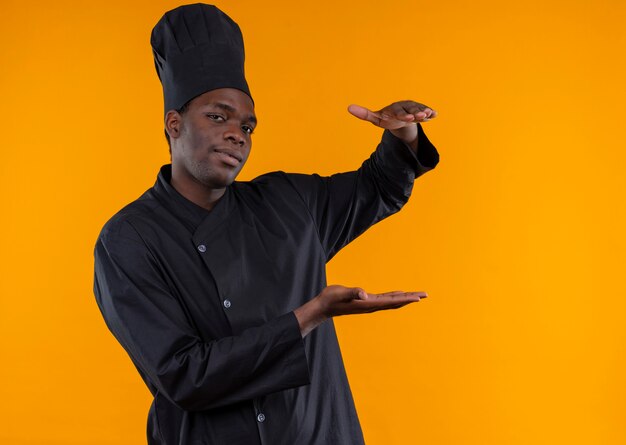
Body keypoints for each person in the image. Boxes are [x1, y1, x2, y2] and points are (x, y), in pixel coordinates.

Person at [93, 3, 439, 444]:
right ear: (173, 124)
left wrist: (402, 135)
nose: (237, 133)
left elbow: (379, 187)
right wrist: (309, 316)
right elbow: (182, 375)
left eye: (248, 125)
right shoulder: (130, 239)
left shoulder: (289, 204)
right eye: (217, 117)